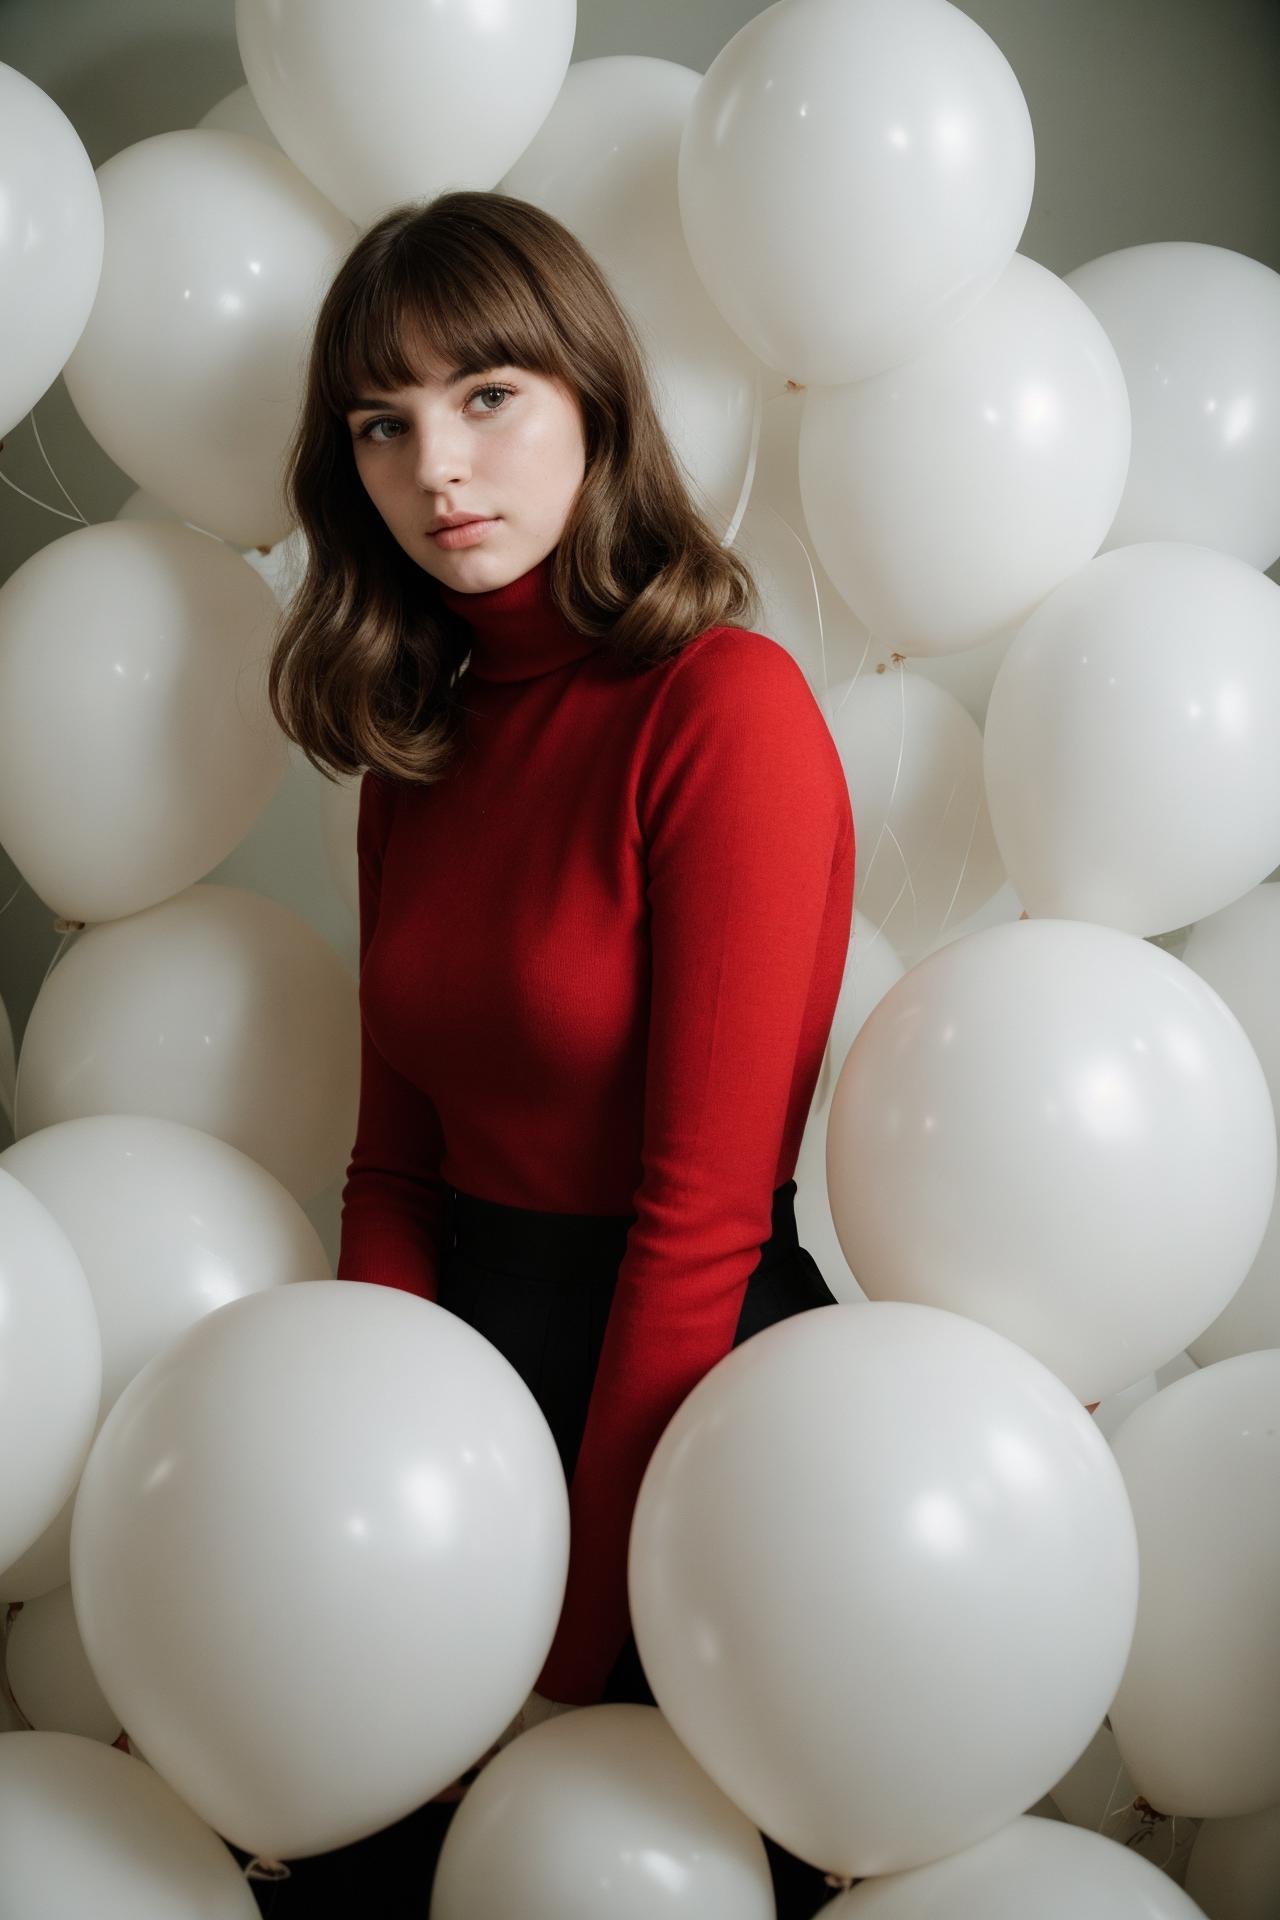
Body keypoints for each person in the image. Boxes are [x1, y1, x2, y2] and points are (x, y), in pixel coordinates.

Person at [242, 188, 855, 1917]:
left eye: (488, 394)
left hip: (683, 1409)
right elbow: (394, 1172)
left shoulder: (722, 711)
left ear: (593, 396)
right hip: (464, 1400)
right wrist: (367, 1474)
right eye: (383, 422)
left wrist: (557, 1637)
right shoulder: (412, 751)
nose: (438, 466)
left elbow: (695, 1221)